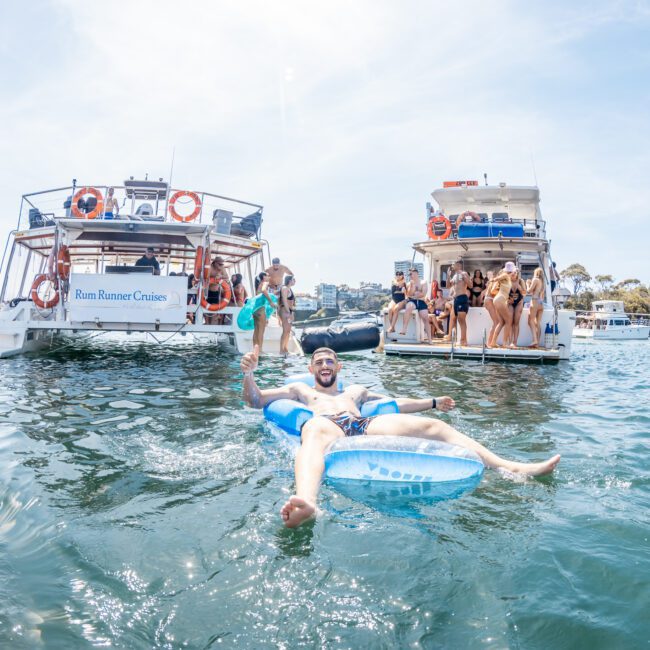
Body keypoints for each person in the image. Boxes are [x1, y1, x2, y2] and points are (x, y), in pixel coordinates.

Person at [241, 345, 561, 528]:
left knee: (433, 427)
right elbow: (255, 400)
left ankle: (510, 468)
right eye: (319, 361)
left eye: (330, 360)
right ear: (311, 369)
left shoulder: (356, 390)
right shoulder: (300, 390)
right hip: (327, 424)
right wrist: (249, 374)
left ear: (339, 366)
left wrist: (433, 402)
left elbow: (395, 405)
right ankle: (308, 504)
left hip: (360, 424)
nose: (325, 364)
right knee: (312, 431)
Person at [398, 268, 432, 343]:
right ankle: (404, 329)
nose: (410, 276)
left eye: (411, 274)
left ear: (416, 273)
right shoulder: (409, 283)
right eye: (409, 274)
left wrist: (416, 294)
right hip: (412, 301)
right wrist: (412, 287)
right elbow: (409, 294)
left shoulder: (423, 282)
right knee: (409, 307)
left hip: (421, 301)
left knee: (426, 318)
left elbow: (423, 293)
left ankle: (430, 339)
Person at [488, 262, 515, 348]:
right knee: (509, 321)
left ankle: (493, 342)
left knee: (502, 322)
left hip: (499, 300)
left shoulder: (507, 278)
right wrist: (492, 279)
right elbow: (499, 278)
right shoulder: (506, 275)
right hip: (500, 300)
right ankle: (504, 343)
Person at [445, 260, 471, 346]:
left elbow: (470, 285)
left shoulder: (464, 274)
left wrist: (465, 278)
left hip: (462, 298)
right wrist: (448, 276)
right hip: (455, 300)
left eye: (453, 264)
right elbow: (448, 286)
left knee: (461, 320)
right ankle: (464, 340)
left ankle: (463, 340)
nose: (452, 265)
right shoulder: (455, 275)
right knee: (456, 319)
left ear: (458, 265)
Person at [253, 272, 274, 352]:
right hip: (261, 309)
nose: (269, 277)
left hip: (255, 310)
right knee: (261, 331)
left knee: (256, 330)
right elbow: (264, 290)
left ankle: (254, 349)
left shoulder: (258, 285)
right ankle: (260, 350)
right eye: (268, 275)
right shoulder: (265, 283)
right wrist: (271, 301)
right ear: (264, 277)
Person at [508, 269, 527, 346]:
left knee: (516, 322)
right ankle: (509, 342)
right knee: (509, 322)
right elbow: (503, 292)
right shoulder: (507, 280)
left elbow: (525, 293)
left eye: (515, 272)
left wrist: (519, 288)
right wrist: (508, 299)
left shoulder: (520, 281)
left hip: (519, 302)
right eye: (512, 272)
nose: (513, 273)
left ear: (517, 273)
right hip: (510, 302)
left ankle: (514, 342)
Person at [527, 267, 545, 347]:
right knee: (537, 323)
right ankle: (537, 343)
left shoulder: (535, 279)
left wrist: (527, 284)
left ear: (536, 273)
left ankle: (534, 340)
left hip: (534, 302)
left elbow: (529, 291)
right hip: (541, 304)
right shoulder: (543, 282)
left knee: (530, 321)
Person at [279, 275, 296, 355]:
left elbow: (292, 302)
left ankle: (285, 348)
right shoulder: (284, 288)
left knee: (288, 331)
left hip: (289, 310)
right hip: (285, 310)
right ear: (289, 280)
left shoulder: (290, 289)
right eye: (293, 280)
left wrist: (291, 312)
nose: (295, 281)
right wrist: (288, 312)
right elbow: (284, 301)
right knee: (285, 331)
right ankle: (281, 350)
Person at [386, 271, 407, 335]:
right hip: (394, 300)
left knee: (396, 309)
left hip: (402, 300)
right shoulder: (393, 283)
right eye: (397, 274)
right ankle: (393, 328)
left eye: (400, 274)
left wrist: (404, 291)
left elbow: (406, 294)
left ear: (402, 276)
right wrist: (401, 291)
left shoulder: (405, 284)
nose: (398, 275)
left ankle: (391, 327)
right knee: (389, 309)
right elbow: (393, 293)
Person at [482, 270, 500, 347]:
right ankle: (489, 343)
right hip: (489, 300)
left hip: (488, 300)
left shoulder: (493, 281)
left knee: (497, 322)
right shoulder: (496, 281)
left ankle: (491, 342)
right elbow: (493, 292)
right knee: (496, 322)